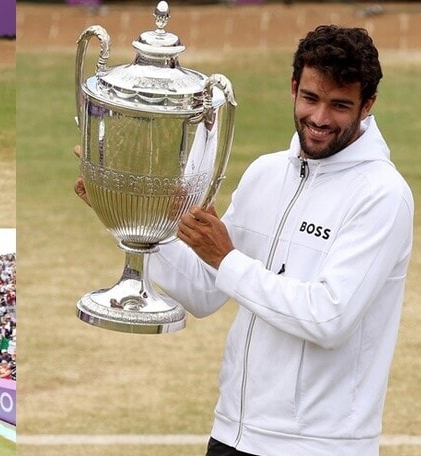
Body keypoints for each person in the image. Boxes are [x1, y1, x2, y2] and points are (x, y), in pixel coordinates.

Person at [74, 25, 412, 455]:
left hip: (320, 446)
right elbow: (203, 292)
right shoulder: (266, 174)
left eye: (340, 105)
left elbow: (329, 318)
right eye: (310, 98)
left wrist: (227, 258)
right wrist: (131, 216)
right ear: (293, 88)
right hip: (233, 433)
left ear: (368, 105)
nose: (321, 118)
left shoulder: (382, 195)